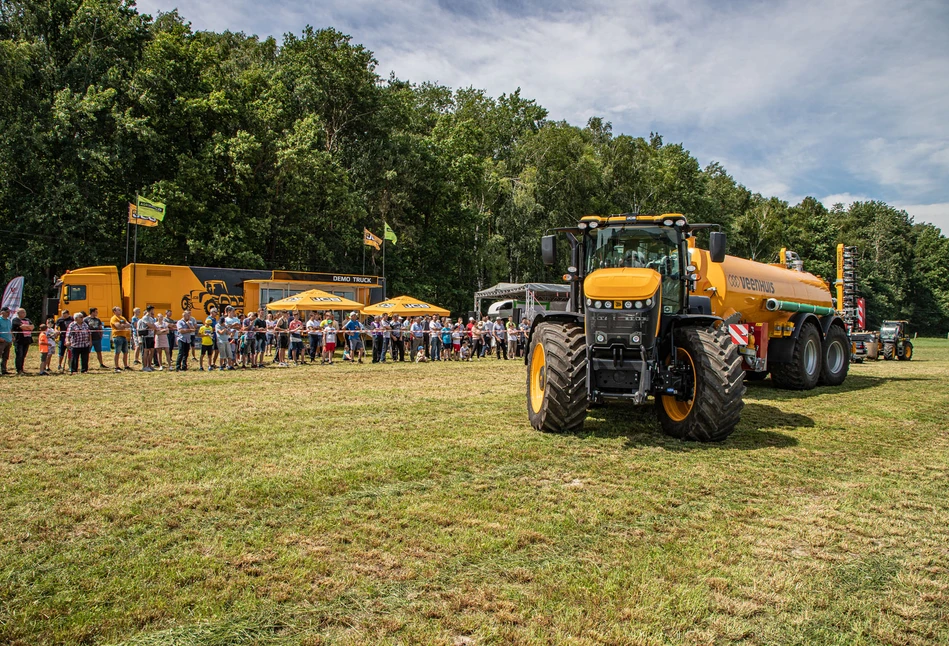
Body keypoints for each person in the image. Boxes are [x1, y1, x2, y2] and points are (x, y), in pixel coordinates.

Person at [11, 308, 34, 375]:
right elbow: (22, 327)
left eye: (25, 312)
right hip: (19, 340)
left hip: (27, 340)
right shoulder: (15, 320)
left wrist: (27, 327)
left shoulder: (27, 319)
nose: (24, 313)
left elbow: (32, 327)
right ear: (18, 313)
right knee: (19, 355)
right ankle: (18, 369)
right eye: (23, 312)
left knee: (23, 355)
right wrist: (27, 327)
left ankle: (22, 368)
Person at [109, 306, 131, 372]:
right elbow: (119, 327)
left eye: (120, 310)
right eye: (118, 310)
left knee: (126, 352)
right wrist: (124, 325)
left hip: (124, 336)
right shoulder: (113, 318)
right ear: (114, 311)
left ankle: (126, 366)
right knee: (117, 352)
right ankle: (116, 366)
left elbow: (129, 325)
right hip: (117, 336)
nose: (120, 311)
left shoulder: (122, 318)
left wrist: (123, 325)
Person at [137, 306, 157, 372]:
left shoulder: (151, 318)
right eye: (153, 310)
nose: (153, 311)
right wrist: (152, 326)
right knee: (146, 351)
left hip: (151, 336)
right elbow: (150, 325)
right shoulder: (145, 318)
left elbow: (154, 326)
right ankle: (144, 366)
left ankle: (149, 365)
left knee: (152, 351)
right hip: (146, 337)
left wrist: (153, 327)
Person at [0, 306, 12, 375]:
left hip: (8, 341)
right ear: (2, 312)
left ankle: (4, 370)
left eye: (9, 312)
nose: (8, 313)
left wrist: (12, 337)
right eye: (7, 312)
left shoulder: (8, 321)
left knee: (5, 356)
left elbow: (9, 330)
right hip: (1, 341)